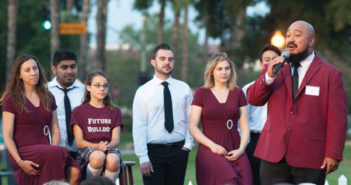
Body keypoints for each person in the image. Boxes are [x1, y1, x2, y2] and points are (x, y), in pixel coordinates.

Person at [246, 20, 348, 185]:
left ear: (311, 40)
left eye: (297, 35)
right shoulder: (275, 68)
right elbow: (253, 99)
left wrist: (333, 153)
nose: (290, 39)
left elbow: (338, 119)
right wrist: (269, 77)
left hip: (310, 157)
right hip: (273, 156)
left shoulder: (331, 74)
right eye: (288, 35)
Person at [0, 54, 81, 185]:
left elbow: (55, 129)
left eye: (35, 68)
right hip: (23, 151)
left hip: (47, 150)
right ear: (19, 75)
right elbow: (7, 136)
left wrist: (53, 151)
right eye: (27, 70)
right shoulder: (11, 99)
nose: (33, 73)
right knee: (57, 155)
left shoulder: (48, 96)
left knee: (75, 170)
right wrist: (20, 161)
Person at [132, 43, 194, 185]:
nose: (167, 62)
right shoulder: (143, 91)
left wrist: (188, 146)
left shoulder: (184, 88)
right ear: (153, 62)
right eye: (162, 58)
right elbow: (139, 126)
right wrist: (143, 157)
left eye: (170, 59)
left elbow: (191, 119)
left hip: (179, 152)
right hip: (153, 154)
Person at [189, 52, 253, 185]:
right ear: (211, 71)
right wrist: (213, 146)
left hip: (235, 147)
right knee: (230, 180)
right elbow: (193, 127)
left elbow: (245, 127)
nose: (224, 72)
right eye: (219, 69)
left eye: (227, 68)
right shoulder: (201, 93)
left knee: (246, 181)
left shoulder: (238, 93)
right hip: (210, 147)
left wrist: (241, 149)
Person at [70, 71, 123, 181]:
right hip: (88, 149)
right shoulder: (78, 111)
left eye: (105, 86)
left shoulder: (115, 111)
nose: (102, 89)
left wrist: (107, 146)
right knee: (98, 157)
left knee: (113, 159)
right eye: (97, 85)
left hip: (109, 147)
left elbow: (116, 140)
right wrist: (97, 146)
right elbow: (80, 142)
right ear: (88, 87)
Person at [242, 44, 281, 185]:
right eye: (267, 59)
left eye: (275, 59)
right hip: (255, 139)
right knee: (255, 179)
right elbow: (242, 120)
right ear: (261, 63)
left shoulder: (284, 87)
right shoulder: (249, 89)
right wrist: (245, 144)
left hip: (277, 139)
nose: (271, 62)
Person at [47, 49, 85, 157]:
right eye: (64, 67)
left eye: (73, 67)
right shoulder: (45, 91)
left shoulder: (85, 92)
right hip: (54, 151)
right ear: (54, 69)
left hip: (82, 152)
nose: (69, 71)